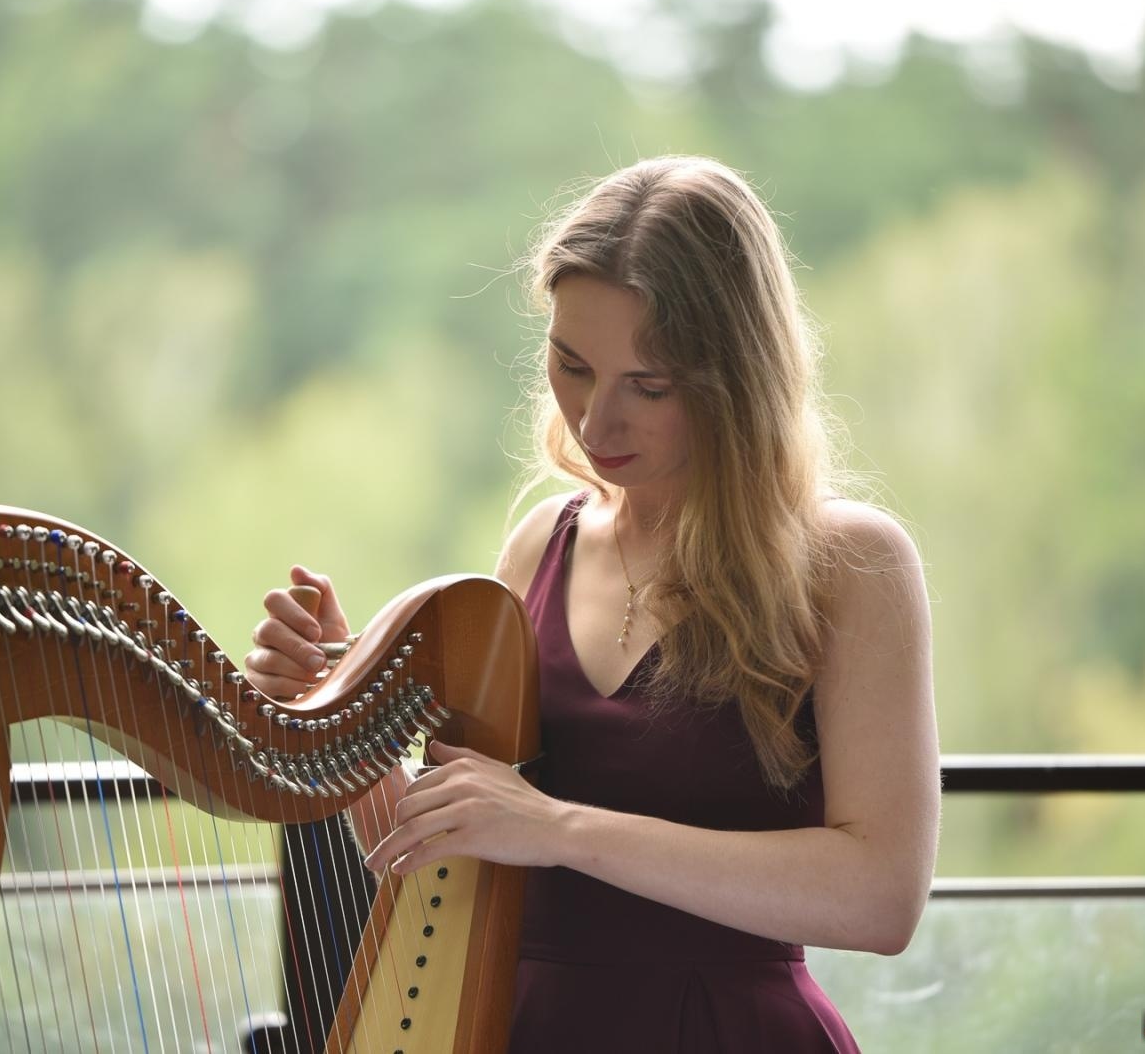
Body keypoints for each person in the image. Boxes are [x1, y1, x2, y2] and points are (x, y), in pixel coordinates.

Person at [244, 155, 939, 1053]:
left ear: (739, 380)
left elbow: (882, 896)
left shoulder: (850, 564)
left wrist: (563, 830)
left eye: (647, 388)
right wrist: (339, 719)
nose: (595, 423)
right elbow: (456, 857)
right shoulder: (541, 544)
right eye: (572, 367)